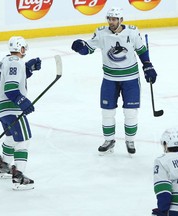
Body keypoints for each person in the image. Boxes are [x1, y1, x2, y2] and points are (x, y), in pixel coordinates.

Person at [71, 7, 157, 155]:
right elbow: (89, 48)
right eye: (109, 19)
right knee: (107, 112)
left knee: (130, 112)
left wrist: (148, 65)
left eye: (114, 19)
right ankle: (109, 140)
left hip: (130, 78)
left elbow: (141, 50)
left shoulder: (132, 31)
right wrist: (80, 48)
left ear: (121, 20)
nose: (111, 22)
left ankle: (130, 140)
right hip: (110, 78)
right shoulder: (101, 32)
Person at [0, 36, 41, 190]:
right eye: (24, 48)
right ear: (21, 49)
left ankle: (4, 166)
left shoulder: (6, 60)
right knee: (24, 139)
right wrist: (22, 102)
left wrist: (28, 69)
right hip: (10, 108)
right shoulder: (16, 62)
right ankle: (18, 178)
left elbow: (14, 76)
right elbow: (11, 88)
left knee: (11, 137)